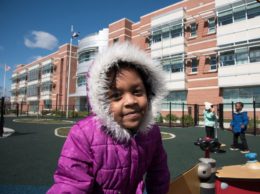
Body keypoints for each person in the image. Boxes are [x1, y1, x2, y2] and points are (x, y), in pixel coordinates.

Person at [47, 43, 170, 194]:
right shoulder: (83, 134)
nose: (131, 101)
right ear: (102, 102)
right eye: (117, 96)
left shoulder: (152, 132)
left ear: (149, 94)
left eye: (137, 92)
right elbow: (71, 183)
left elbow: (159, 173)